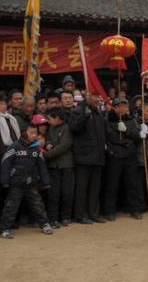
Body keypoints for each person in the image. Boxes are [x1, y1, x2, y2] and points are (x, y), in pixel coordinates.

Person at [0, 123, 53, 239]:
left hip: (32, 183)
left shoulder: (36, 149)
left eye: (36, 133)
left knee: (37, 204)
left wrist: (46, 182)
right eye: (31, 133)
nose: (34, 135)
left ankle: (45, 224)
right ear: (24, 133)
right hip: (16, 183)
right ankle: (4, 228)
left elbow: (42, 167)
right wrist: (5, 180)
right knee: (11, 206)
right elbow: (5, 163)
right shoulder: (14, 147)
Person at [68, 90, 106, 225]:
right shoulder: (78, 111)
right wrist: (84, 116)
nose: (97, 99)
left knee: (95, 188)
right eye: (95, 96)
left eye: (98, 96)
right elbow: (74, 128)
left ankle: (93, 213)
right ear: (88, 96)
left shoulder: (99, 113)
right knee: (82, 188)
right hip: (84, 156)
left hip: (98, 156)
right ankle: (80, 215)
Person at [104, 98, 141, 221]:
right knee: (112, 184)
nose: (124, 108)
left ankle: (134, 209)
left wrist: (126, 130)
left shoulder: (132, 120)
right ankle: (110, 210)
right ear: (115, 108)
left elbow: (137, 135)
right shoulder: (108, 120)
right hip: (115, 155)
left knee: (132, 183)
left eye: (125, 106)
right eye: (121, 106)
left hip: (129, 154)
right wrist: (111, 151)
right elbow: (108, 136)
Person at [0, 93, 20, 230]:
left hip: (10, 163)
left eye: (4, 103)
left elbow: (16, 139)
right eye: (0, 103)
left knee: (8, 193)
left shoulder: (10, 119)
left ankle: (7, 221)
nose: (3, 106)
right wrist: (2, 151)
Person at [43, 108, 74, 228]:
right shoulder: (51, 128)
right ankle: (53, 219)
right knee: (53, 193)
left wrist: (46, 154)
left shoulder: (67, 128)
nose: (48, 121)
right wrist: (47, 144)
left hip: (66, 165)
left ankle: (66, 217)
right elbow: (48, 140)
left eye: (50, 118)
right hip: (53, 165)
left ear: (57, 118)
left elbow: (63, 146)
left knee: (67, 192)